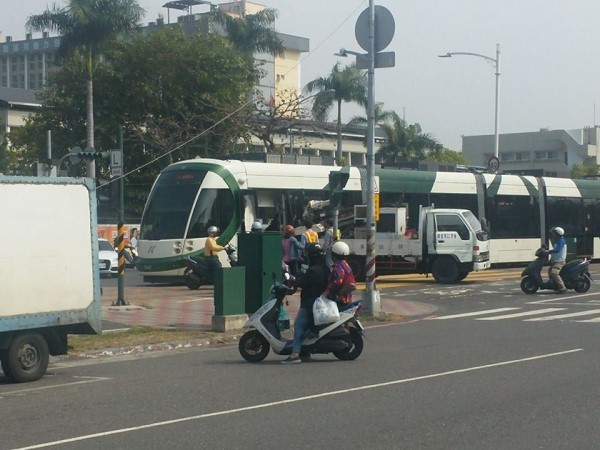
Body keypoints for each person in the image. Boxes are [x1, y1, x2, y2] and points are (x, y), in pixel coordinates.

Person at [281, 243, 330, 364]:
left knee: (298, 325)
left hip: (310, 303)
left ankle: (295, 353)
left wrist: (295, 280)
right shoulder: (325, 268)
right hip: (320, 302)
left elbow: (302, 282)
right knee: (307, 327)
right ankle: (305, 351)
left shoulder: (312, 270)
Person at [322, 241, 355, 308]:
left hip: (340, 300)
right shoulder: (346, 265)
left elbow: (337, 282)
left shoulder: (338, 267)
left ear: (334, 255)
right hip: (347, 298)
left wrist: (327, 292)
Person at [547, 226, 567, 293]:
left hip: (559, 261)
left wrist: (548, 251)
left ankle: (562, 287)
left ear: (557, 234)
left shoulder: (561, 241)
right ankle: (554, 284)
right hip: (556, 261)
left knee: (554, 273)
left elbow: (557, 250)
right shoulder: (558, 241)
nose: (553, 234)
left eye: (554, 233)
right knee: (550, 271)